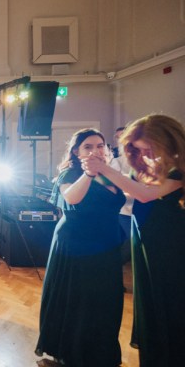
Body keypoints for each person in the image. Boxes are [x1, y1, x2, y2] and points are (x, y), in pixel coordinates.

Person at [82, 114, 185, 367]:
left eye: (149, 148)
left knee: (170, 302)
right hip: (146, 244)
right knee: (150, 301)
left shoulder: (178, 169)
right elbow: (130, 188)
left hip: (170, 247)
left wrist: (104, 168)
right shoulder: (153, 166)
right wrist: (95, 173)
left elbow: (145, 195)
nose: (147, 154)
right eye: (141, 149)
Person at [35, 128, 125, 367]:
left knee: (106, 300)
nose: (95, 150)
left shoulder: (110, 172)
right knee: (79, 299)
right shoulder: (69, 173)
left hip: (107, 242)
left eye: (100, 146)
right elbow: (72, 199)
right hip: (76, 243)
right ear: (76, 152)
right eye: (88, 146)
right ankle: (73, 354)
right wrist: (88, 173)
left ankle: (100, 354)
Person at [108, 126, 133, 264]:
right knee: (131, 244)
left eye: (123, 135)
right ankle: (109, 270)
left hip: (142, 209)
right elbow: (114, 188)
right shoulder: (116, 162)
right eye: (117, 137)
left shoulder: (142, 159)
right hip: (124, 211)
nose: (120, 140)